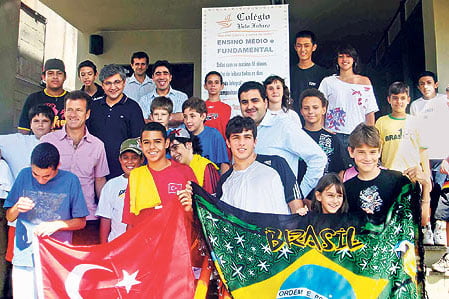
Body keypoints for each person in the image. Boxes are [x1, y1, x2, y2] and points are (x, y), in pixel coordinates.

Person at [4, 142, 88, 299]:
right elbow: (9, 216)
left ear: (58, 167)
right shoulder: (24, 175)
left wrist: (57, 225)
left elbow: (81, 222)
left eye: (47, 176)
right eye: (36, 174)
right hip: (25, 256)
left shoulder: (70, 181)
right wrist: (17, 207)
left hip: (56, 257)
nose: (41, 180)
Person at [238, 81, 327, 200]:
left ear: (265, 102)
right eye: (244, 102)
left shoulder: (284, 126)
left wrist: (298, 195)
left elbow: (318, 158)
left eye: (255, 100)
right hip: (248, 205)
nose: (249, 106)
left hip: (279, 210)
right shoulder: (240, 132)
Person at [41, 90, 109, 244]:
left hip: (87, 218)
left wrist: (105, 213)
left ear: (87, 114)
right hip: (54, 218)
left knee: (85, 265)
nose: (73, 114)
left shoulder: (98, 146)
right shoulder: (48, 141)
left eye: (79, 110)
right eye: (70, 109)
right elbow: (38, 178)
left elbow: (99, 180)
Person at [344, 124, 430, 226]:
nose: (367, 158)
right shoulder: (346, 189)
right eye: (361, 152)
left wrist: (426, 186)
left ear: (380, 151)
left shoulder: (399, 181)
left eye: (372, 152)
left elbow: (421, 221)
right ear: (351, 152)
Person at [215, 116, 302, 214]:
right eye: (236, 138)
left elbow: (298, 209)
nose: (241, 143)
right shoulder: (225, 180)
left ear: (255, 141)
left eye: (247, 137)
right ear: (228, 143)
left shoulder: (277, 164)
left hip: (277, 229)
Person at [121, 122, 196, 228]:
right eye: (146, 142)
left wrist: (190, 208)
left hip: (177, 240)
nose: (152, 147)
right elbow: (131, 221)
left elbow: (198, 216)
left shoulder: (185, 172)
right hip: (145, 241)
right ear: (141, 145)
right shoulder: (136, 176)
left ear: (167, 143)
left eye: (157, 142)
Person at [319, 45, 379, 168]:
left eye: (348, 56)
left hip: (358, 134)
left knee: (356, 170)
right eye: (341, 56)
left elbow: (369, 111)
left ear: (354, 60)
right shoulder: (328, 82)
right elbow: (320, 107)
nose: (344, 59)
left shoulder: (365, 81)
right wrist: (322, 129)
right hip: (333, 133)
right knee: (332, 170)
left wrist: (370, 135)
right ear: (336, 60)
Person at [87, 64, 145, 180]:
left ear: (124, 83)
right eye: (108, 83)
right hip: (94, 169)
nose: (113, 87)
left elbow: (138, 141)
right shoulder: (94, 106)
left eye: (117, 82)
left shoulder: (133, 108)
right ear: (102, 85)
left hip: (123, 171)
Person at [96, 138, 144, 243]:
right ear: (120, 159)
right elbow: (105, 218)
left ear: (142, 159)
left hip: (141, 246)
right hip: (116, 244)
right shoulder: (111, 185)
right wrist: (104, 248)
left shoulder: (149, 182)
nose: (130, 162)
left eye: (134, 158)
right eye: (125, 158)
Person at [298, 88, 345, 188]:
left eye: (315, 107)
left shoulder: (332, 139)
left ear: (324, 109)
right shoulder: (295, 137)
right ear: (301, 111)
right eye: (306, 108)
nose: (311, 111)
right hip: (299, 196)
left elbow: (340, 170)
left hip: (325, 195)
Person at [0, 104, 54, 179]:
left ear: (52, 125)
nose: (40, 125)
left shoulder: (60, 144)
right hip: (20, 188)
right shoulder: (17, 140)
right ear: (30, 125)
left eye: (45, 121)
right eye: (36, 121)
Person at [18, 58, 68, 133]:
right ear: (43, 77)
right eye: (50, 73)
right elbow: (23, 129)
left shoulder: (72, 99)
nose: (55, 77)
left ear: (65, 77)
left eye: (59, 73)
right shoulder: (33, 98)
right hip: (39, 143)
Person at [182, 97, 230, 173]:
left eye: (192, 116)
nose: (188, 121)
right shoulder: (182, 136)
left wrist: (222, 184)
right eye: (185, 117)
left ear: (203, 116)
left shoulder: (214, 135)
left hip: (210, 183)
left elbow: (224, 164)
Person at [169, 128, 219, 194]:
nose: (172, 154)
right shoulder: (173, 169)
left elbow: (213, 199)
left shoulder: (206, 167)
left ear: (189, 145)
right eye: (170, 151)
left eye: (175, 148)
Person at [290, 30, 328, 116]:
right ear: (295, 47)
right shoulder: (289, 72)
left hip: (314, 121)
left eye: (306, 46)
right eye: (299, 46)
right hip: (293, 120)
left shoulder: (323, 74)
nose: (303, 50)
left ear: (314, 47)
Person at [138, 60, 188, 125]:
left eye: (165, 73)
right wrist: (174, 117)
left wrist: (154, 119)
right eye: (158, 74)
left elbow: (183, 117)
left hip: (178, 135)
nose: (162, 77)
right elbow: (143, 121)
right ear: (153, 78)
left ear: (170, 77)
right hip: (153, 135)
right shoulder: (143, 100)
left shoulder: (182, 97)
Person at [203, 71, 231, 139]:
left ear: (222, 86)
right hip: (204, 147)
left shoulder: (228, 108)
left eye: (216, 82)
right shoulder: (200, 107)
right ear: (205, 86)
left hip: (222, 147)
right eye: (210, 82)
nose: (213, 85)